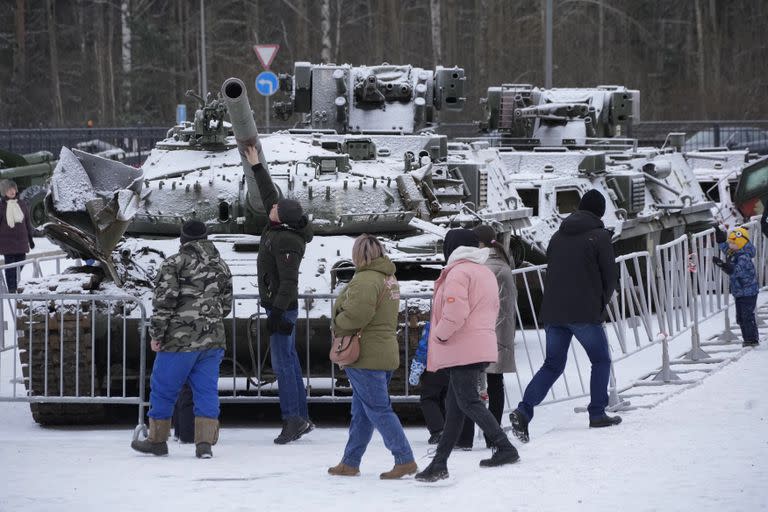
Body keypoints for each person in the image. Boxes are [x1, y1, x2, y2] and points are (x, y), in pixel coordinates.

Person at [509, 189, 620, 445]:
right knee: (600, 360)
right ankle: (597, 413)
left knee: (552, 365)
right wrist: (599, 303)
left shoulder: (558, 236)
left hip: (553, 312)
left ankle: (524, 410)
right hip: (584, 312)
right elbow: (610, 277)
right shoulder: (600, 237)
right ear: (600, 212)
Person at [415, 229, 519, 483]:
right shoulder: (483, 271)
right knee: (455, 407)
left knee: (468, 402)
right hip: (478, 344)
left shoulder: (459, 272)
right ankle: (439, 463)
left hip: (462, 347)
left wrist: (438, 336)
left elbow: (456, 311)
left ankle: (504, 446)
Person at [131, 220, 233, 458]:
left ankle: (157, 440)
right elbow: (226, 305)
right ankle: (205, 444)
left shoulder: (174, 263)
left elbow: (164, 303)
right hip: (213, 340)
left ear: (183, 239)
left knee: (164, 389)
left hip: (179, 341)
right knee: (206, 391)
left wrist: (156, 334)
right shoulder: (221, 265)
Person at [328, 234, 418, 479]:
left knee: (378, 410)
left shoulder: (365, 280)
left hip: (365, 355)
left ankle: (404, 459)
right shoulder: (389, 278)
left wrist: (336, 321)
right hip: (383, 351)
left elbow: (357, 316)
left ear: (359, 254)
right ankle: (350, 462)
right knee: (362, 412)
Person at [244, 145, 314, 444]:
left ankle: (292, 419)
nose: (269, 207)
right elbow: (269, 196)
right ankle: (301, 417)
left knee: (283, 365)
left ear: (281, 218)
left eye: (274, 209)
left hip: (282, 308)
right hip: (280, 308)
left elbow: (289, 281)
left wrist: (276, 313)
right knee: (290, 361)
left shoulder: (287, 240)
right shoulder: (280, 223)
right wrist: (257, 166)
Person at [473, 224, 517, 448]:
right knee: (494, 383)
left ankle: (492, 434)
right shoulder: (501, 262)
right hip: (499, 331)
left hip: (490, 331)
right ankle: (494, 432)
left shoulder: (486, 266)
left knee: (487, 384)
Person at [410, 322, 476, 449]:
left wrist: (417, 365)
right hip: (456, 366)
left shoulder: (434, 322)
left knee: (428, 398)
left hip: (435, 366)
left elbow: (425, 346)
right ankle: (456, 433)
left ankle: (438, 430)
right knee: (449, 398)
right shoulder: (464, 322)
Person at [713, 226, 760, 347]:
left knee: (747, 315)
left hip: (748, 292)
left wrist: (724, 265)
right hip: (739, 291)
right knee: (740, 317)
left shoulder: (744, 257)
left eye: (733, 242)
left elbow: (737, 270)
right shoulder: (735, 251)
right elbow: (726, 249)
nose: (730, 245)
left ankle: (751, 339)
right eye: (730, 242)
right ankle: (747, 338)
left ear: (740, 243)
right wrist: (721, 240)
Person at [0, 179, 34, 293]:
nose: (12, 191)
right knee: (10, 267)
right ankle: (11, 289)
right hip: (7, 242)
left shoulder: (22, 204)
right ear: (4, 192)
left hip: (21, 241)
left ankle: (14, 285)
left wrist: (31, 239)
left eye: (13, 188)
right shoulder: (1, 206)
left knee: (21, 262)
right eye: (9, 189)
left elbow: (27, 222)